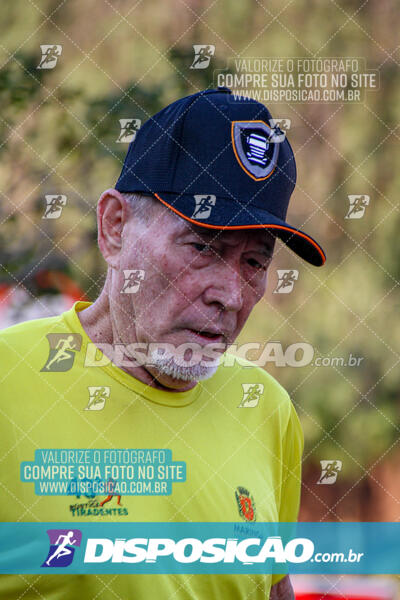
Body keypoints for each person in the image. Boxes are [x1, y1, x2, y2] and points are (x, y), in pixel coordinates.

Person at [0, 88, 325, 599]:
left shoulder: (265, 409)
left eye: (255, 263)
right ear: (115, 228)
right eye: (202, 247)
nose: (231, 294)